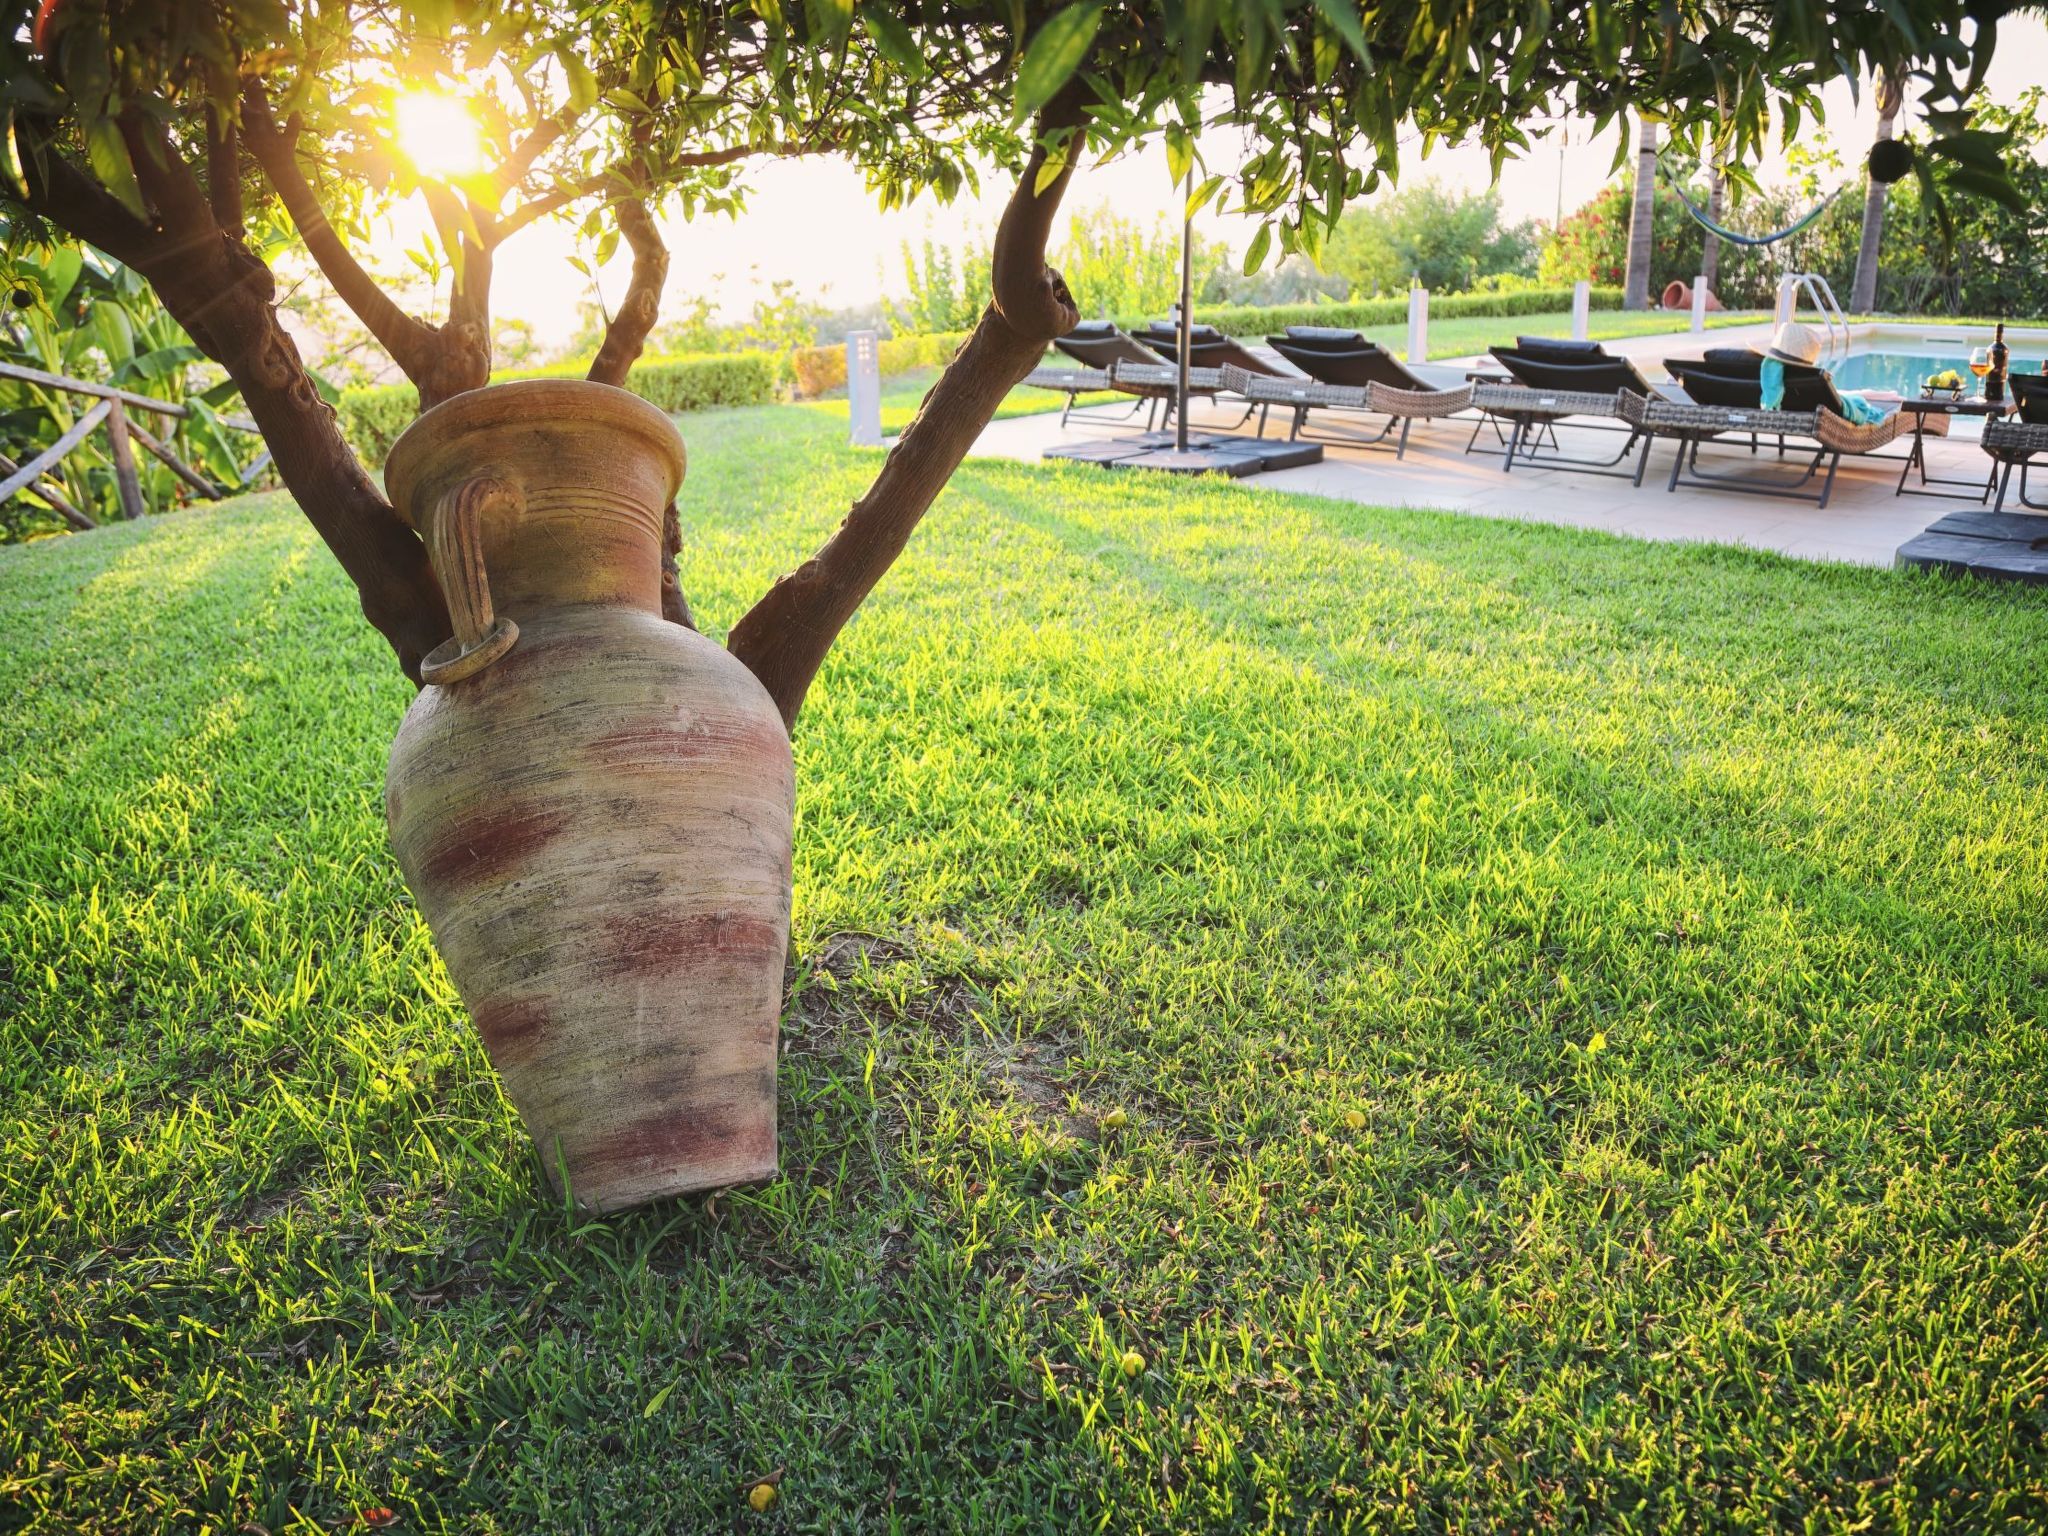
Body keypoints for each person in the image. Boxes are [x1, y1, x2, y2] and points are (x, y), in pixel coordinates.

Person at [1755, 319, 1887, 424]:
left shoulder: (1760, 373)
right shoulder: (1814, 380)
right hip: (1823, 410)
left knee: (1860, 397)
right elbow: (1835, 407)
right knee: (1860, 402)